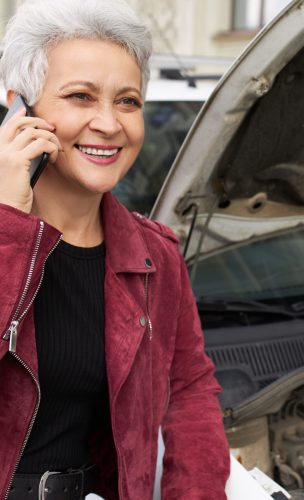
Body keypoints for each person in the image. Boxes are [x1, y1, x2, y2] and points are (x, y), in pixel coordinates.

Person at [0, 0, 230, 498]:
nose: (109, 123)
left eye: (127, 101)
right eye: (81, 96)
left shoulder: (155, 255)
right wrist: (10, 230)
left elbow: (189, 390)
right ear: (21, 107)